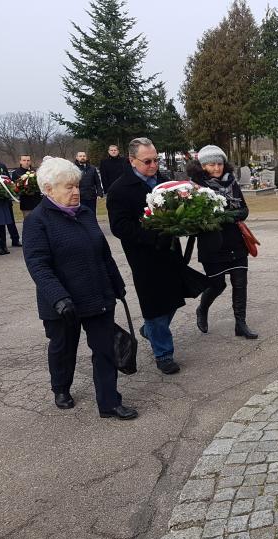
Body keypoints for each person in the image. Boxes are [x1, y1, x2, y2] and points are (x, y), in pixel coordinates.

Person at [22, 157, 136, 419]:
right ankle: (61, 388)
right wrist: (59, 298)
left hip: (96, 294)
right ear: (48, 189)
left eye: (77, 186)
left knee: (104, 348)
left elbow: (103, 253)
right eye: (69, 187)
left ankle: (109, 403)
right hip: (63, 302)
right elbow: (38, 265)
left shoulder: (85, 213)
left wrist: (116, 284)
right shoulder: (37, 220)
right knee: (63, 348)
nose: (76, 192)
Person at [107, 137, 185, 374]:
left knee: (174, 296)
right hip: (144, 256)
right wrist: (152, 237)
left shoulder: (164, 182)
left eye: (156, 160)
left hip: (170, 250)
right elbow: (119, 227)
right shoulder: (119, 189)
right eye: (147, 161)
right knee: (154, 304)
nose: (153, 165)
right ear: (132, 161)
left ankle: (150, 330)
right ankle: (164, 354)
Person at [188, 145, 258, 339]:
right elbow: (196, 218)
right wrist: (228, 215)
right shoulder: (195, 187)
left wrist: (226, 216)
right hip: (212, 244)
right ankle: (202, 309)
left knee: (240, 283)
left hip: (236, 241)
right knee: (217, 284)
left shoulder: (231, 182)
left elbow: (244, 210)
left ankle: (240, 324)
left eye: (219, 164)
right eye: (211, 164)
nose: (217, 168)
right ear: (202, 166)